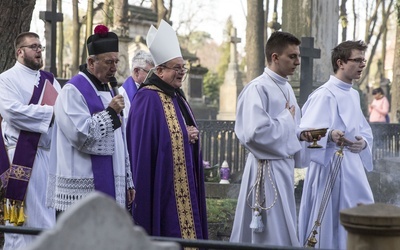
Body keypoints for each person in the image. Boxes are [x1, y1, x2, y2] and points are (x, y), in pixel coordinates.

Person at [229, 31, 314, 247]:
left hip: (282, 168)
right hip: (264, 169)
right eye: (292, 56)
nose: (297, 62)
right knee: (268, 231)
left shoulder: (285, 86)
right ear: (275, 57)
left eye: (298, 56)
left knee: (284, 226)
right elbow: (253, 133)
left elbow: (289, 129)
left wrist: (300, 135)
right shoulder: (258, 88)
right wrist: (287, 119)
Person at [126, 20, 208, 240]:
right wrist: (183, 135)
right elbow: (143, 149)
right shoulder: (146, 99)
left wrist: (191, 136)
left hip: (184, 182)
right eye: (176, 68)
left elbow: (181, 130)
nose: (182, 73)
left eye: (184, 68)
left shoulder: (178, 96)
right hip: (161, 185)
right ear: (159, 70)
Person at [46, 25, 135, 213]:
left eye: (116, 62)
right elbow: (81, 135)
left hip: (112, 182)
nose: (114, 68)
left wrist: (128, 180)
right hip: (82, 185)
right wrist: (111, 113)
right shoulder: (73, 91)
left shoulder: (110, 89)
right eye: (108, 62)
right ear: (91, 62)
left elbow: (121, 141)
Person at [298, 40, 374, 249]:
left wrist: (363, 143)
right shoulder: (324, 95)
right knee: (329, 224)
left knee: (360, 215)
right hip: (328, 167)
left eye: (363, 60)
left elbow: (364, 130)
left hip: (352, 169)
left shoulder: (353, 94)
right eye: (357, 60)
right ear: (340, 62)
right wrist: (330, 135)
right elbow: (303, 133)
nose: (362, 65)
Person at [0, 32, 61, 249]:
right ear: (20, 52)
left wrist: (55, 113)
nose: (38, 50)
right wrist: (49, 113)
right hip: (20, 156)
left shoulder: (50, 80)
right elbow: (12, 111)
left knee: (46, 217)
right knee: (23, 221)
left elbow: (62, 112)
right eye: (33, 46)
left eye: (40, 47)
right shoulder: (6, 79)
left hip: (47, 155)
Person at [119, 50, 154, 121]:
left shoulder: (151, 90)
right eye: (150, 73)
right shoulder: (121, 95)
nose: (153, 77)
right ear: (137, 71)